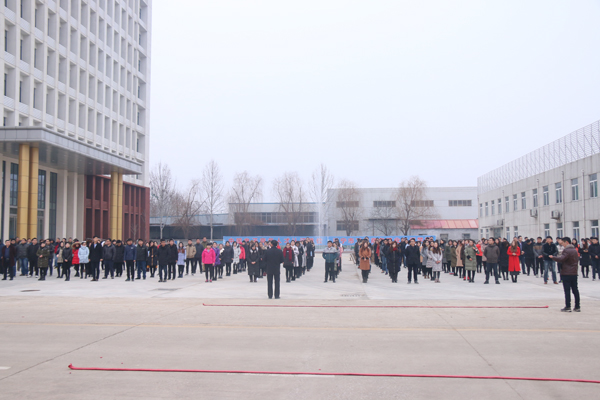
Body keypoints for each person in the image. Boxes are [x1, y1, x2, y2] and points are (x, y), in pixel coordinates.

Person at [550, 236, 580, 312]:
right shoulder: (574, 250)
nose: (562, 244)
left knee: (567, 290)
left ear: (566, 242)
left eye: (563, 243)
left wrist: (553, 257)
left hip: (567, 273)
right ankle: (577, 306)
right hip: (574, 272)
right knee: (575, 290)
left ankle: (568, 306)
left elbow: (561, 259)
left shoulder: (567, 250)